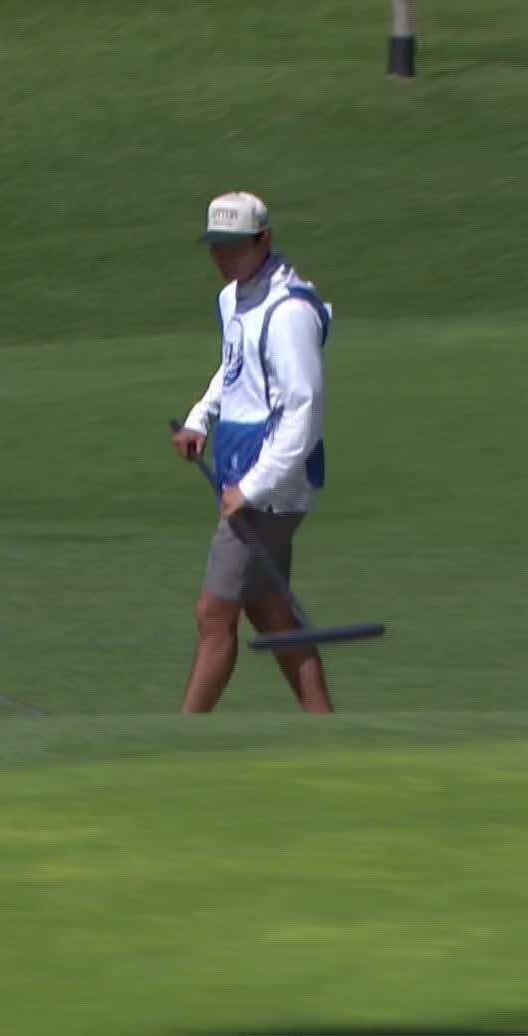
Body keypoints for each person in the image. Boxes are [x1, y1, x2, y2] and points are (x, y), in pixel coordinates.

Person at [170, 191, 335, 714]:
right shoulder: (234, 296)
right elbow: (234, 365)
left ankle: (182, 734)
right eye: (216, 246)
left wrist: (254, 487)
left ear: (263, 240)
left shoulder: (289, 313)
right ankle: (324, 724)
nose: (222, 258)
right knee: (268, 609)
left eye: (234, 246)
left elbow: (302, 411)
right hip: (241, 473)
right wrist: (201, 417)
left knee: (213, 614)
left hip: (271, 483)